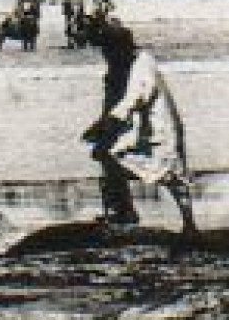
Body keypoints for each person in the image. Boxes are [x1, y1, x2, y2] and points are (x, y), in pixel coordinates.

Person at [83, 20, 199, 236]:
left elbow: (134, 98)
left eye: (107, 50)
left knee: (171, 176)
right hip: (141, 129)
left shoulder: (142, 64)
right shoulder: (122, 65)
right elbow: (113, 100)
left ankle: (189, 225)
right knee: (109, 158)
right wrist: (102, 127)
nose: (106, 55)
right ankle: (125, 211)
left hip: (160, 131)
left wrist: (107, 125)